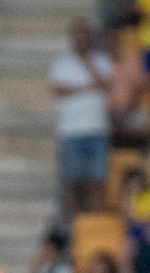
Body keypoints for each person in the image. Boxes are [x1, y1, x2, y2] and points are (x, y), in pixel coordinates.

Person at [50, 20, 113, 218]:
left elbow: (106, 84)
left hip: (97, 129)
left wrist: (88, 64)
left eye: (86, 35)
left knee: (97, 182)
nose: (83, 40)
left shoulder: (102, 61)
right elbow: (59, 89)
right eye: (79, 35)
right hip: (71, 131)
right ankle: (71, 226)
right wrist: (87, 87)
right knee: (72, 182)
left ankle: (97, 225)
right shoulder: (61, 63)